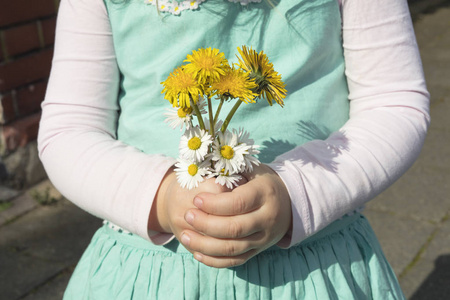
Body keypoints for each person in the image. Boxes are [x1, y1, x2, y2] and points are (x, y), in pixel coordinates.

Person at [37, 0, 429, 298]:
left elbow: (394, 102)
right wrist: (162, 197)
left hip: (315, 265)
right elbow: (70, 129)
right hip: (151, 271)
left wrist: (296, 193)